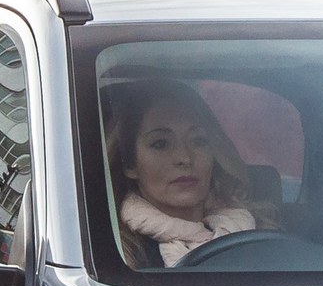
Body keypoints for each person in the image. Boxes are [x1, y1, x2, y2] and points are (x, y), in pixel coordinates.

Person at [107, 76, 272, 266]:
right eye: (161, 144)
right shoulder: (118, 256)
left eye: (198, 141)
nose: (185, 158)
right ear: (130, 164)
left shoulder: (259, 234)